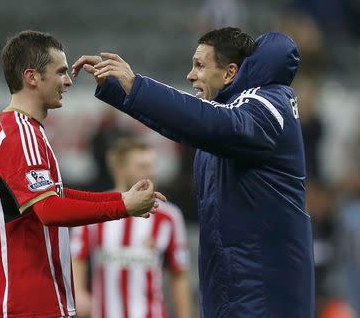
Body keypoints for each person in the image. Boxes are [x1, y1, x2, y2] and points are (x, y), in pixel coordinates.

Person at [72, 27, 315, 318]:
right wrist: (119, 88)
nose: (190, 75)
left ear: (230, 73)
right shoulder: (227, 113)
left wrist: (136, 85)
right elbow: (184, 122)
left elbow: (209, 122)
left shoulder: (269, 105)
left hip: (265, 295)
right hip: (233, 289)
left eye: (200, 65)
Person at [0, 30, 164, 318]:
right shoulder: (19, 134)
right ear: (32, 77)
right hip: (25, 301)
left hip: (31, 298)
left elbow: (58, 195)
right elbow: (49, 210)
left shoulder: (20, 130)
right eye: (61, 72)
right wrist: (123, 206)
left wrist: (122, 199)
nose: (67, 81)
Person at [71, 138, 192, 318]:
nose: (151, 173)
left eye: (152, 166)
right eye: (142, 167)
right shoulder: (95, 210)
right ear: (119, 170)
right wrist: (79, 293)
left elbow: (179, 273)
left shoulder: (169, 216)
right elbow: (77, 256)